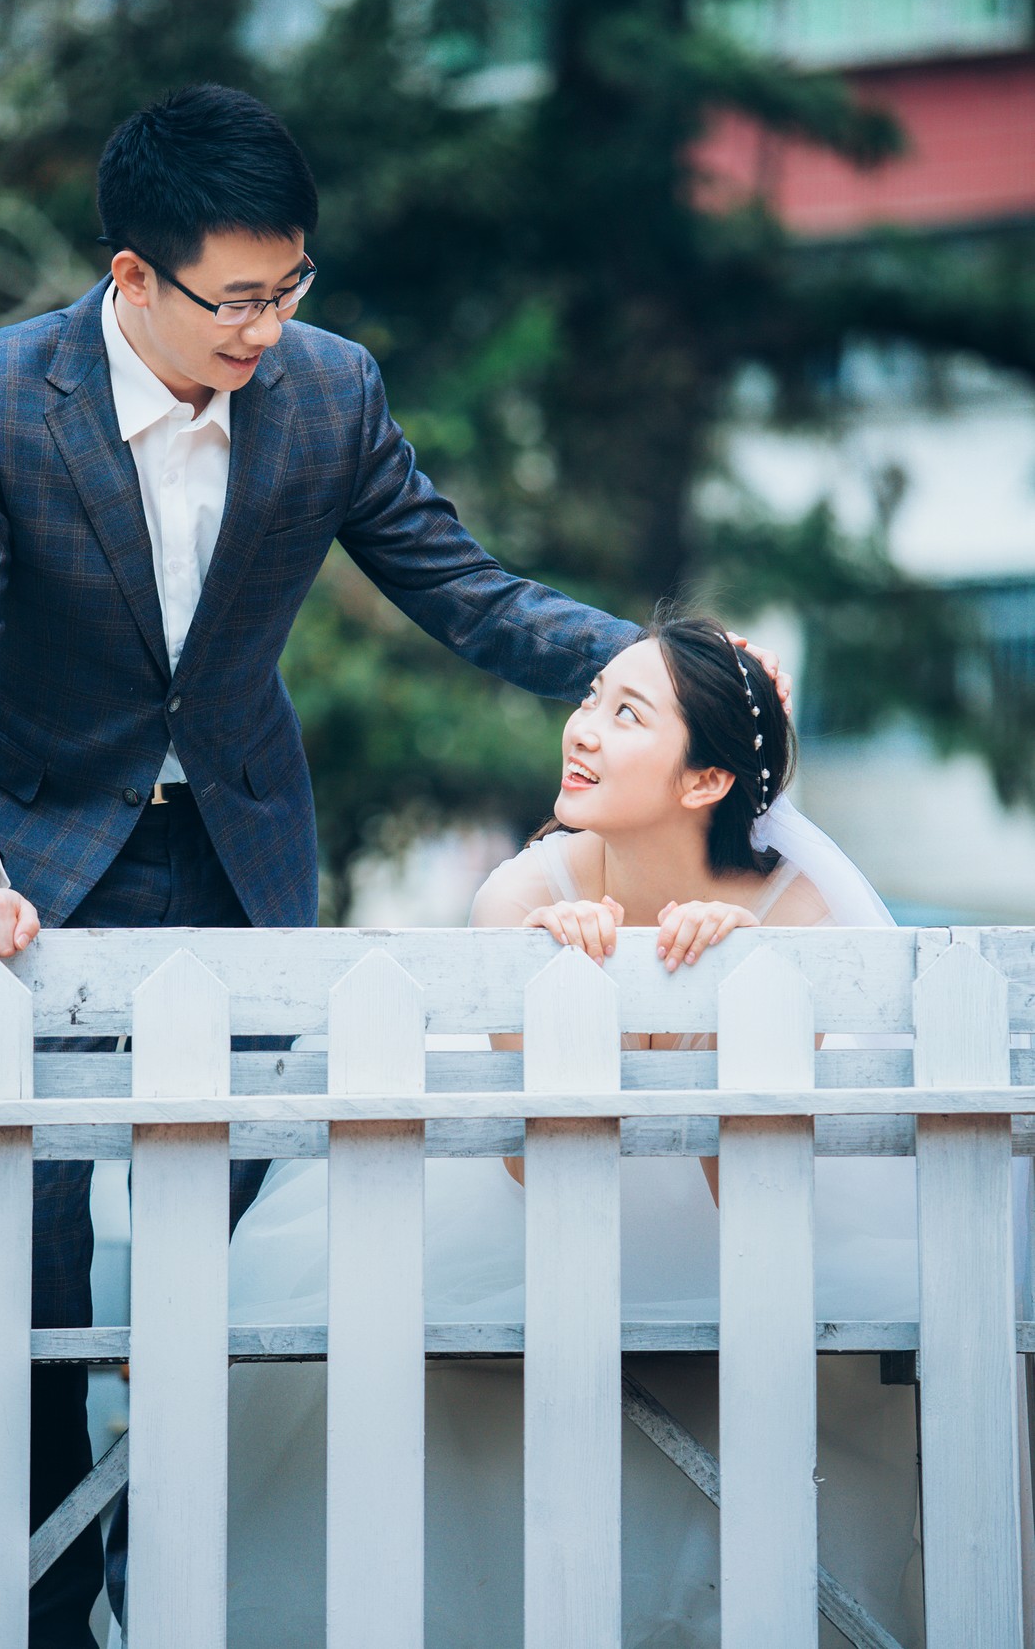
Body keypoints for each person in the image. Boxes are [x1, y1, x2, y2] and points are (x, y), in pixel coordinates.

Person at [0, 82, 789, 1646]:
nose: (267, 327)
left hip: (243, 855)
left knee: (228, 1276)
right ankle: (49, 1616)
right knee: (31, 1275)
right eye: (235, 298)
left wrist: (676, 670)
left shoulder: (327, 390)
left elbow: (466, 592)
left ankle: (199, 1591)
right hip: (36, 873)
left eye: (290, 287)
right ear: (132, 277)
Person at [217, 617, 939, 1648]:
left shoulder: (793, 912)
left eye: (628, 714)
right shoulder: (523, 893)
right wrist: (566, 991)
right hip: (526, 1223)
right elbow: (527, 1168)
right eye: (591, 698)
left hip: (733, 1240)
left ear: (705, 781)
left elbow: (749, 1192)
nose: (584, 729)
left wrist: (728, 1001)